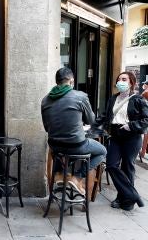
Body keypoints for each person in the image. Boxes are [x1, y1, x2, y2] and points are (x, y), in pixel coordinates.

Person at [41, 67, 107, 196]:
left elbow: (46, 127)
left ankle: (60, 174)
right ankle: (77, 177)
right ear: (71, 81)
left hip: (55, 146)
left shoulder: (45, 100)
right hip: (76, 145)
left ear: (57, 81)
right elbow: (91, 120)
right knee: (102, 151)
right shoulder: (80, 96)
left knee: (64, 154)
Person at [95, 71, 148, 210]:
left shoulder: (138, 99)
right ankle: (133, 195)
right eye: (119, 80)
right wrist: (93, 126)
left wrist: (131, 125)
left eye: (124, 79)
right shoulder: (113, 98)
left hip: (132, 136)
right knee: (111, 165)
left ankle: (124, 200)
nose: (121, 82)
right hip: (116, 135)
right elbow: (106, 115)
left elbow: (146, 119)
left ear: (131, 82)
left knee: (127, 167)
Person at [139, 80, 148, 159]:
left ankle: (143, 152)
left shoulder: (145, 93)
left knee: (145, 135)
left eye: (144, 84)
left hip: (146, 116)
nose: (143, 85)